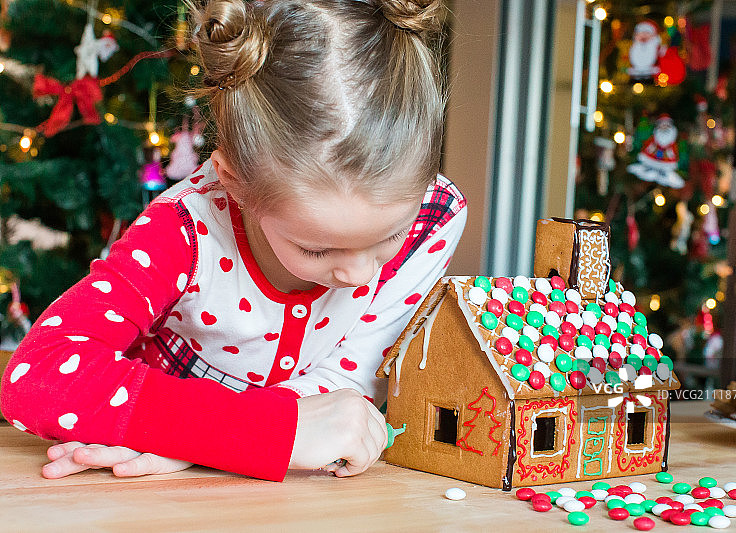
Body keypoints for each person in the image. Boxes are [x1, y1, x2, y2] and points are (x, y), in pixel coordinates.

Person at [0, 0, 466, 481]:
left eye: (389, 237)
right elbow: (35, 377)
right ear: (234, 182)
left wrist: (204, 442)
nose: (360, 275)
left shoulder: (434, 218)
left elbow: (346, 387)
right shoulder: (184, 231)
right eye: (316, 248)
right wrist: (248, 435)